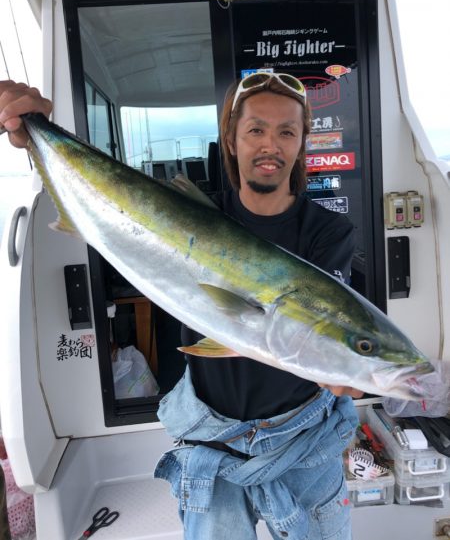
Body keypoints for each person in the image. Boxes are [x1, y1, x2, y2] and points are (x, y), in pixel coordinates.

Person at [0, 74, 362, 540]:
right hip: (210, 437)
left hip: (303, 440)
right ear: (231, 140)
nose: (270, 145)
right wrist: (36, 133)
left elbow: (311, 329)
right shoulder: (188, 214)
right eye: (255, 130)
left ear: (300, 144)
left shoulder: (327, 231)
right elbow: (106, 197)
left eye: (286, 132)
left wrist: (344, 365)